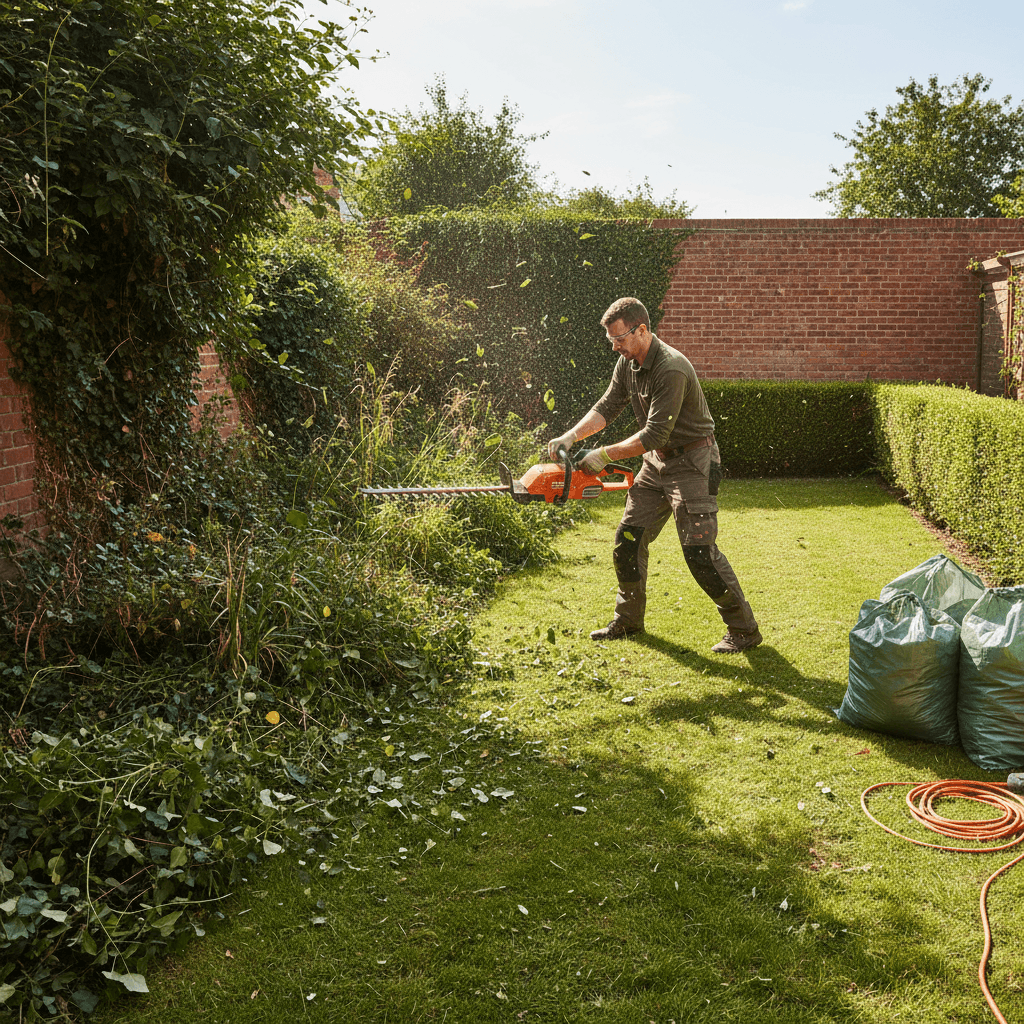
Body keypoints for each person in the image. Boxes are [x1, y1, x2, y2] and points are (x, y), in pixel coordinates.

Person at [548, 297, 761, 653]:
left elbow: (654, 435)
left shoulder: (671, 368)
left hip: (693, 462)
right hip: (656, 463)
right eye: (611, 340)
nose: (615, 347)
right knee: (628, 541)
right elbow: (608, 406)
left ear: (642, 330)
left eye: (619, 339)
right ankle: (628, 620)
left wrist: (602, 454)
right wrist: (571, 436)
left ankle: (744, 630)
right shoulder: (627, 363)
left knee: (699, 552)